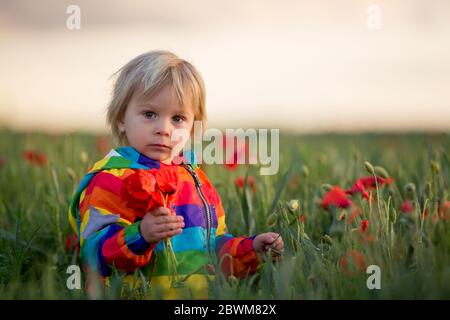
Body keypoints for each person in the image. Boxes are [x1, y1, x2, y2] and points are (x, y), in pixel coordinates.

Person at [68, 50, 284, 299]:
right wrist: (141, 235)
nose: (164, 129)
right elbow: (94, 255)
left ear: (193, 126)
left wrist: (251, 249)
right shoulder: (110, 180)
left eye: (178, 118)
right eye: (149, 114)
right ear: (121, 120)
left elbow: (212, 248)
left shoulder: (196, 180)